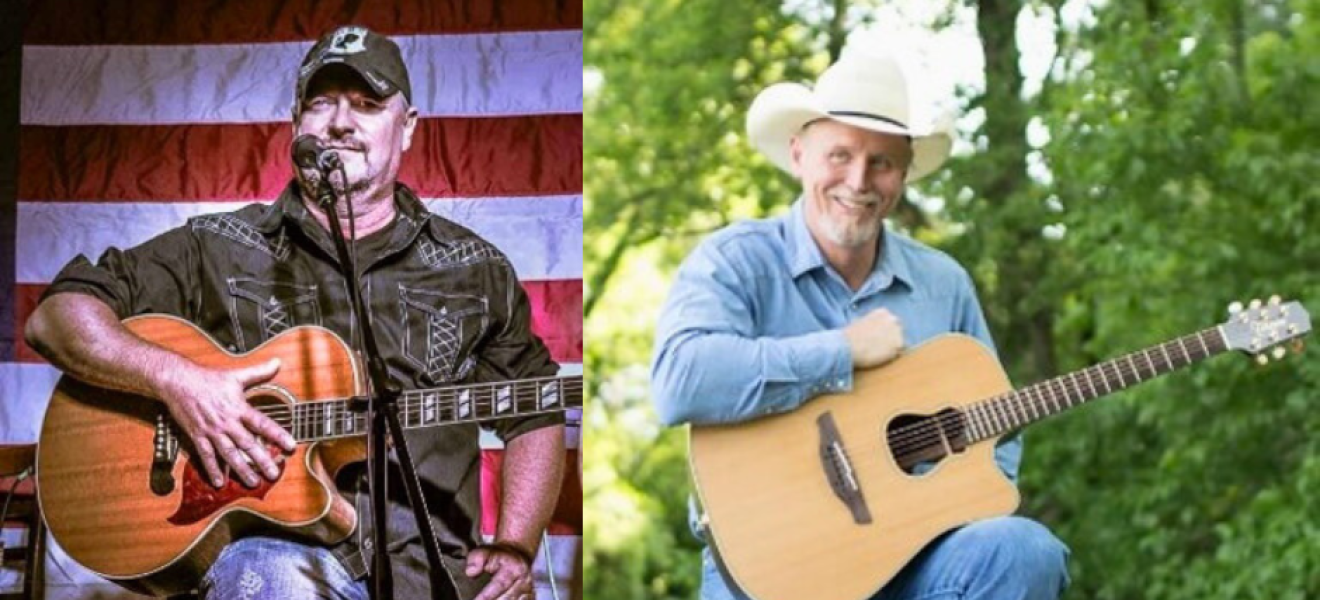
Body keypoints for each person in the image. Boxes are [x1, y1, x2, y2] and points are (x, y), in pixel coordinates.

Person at [24, 26, 564, 600]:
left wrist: (515, 545)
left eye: (367, 104)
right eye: (321, 102)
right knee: (277, 580)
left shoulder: (474, 268)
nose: (340, 122)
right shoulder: (218, 244)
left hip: (433, 569)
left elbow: (535, 411)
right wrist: (178, 382)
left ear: (406, 128)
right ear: (295, 122)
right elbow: (55, 318)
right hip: (276, 556)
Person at [650, 53, 1070, 600]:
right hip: (767, 570)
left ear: (905, 174)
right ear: (799, 154)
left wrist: (943, 499)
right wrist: (842, 351)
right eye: (840, 155)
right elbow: (679, 383)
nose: (859, 180)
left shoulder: (944, 283)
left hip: (914, 562)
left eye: (882, 163)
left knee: (1023, 551)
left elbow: (998, 430)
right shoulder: (735, 261)